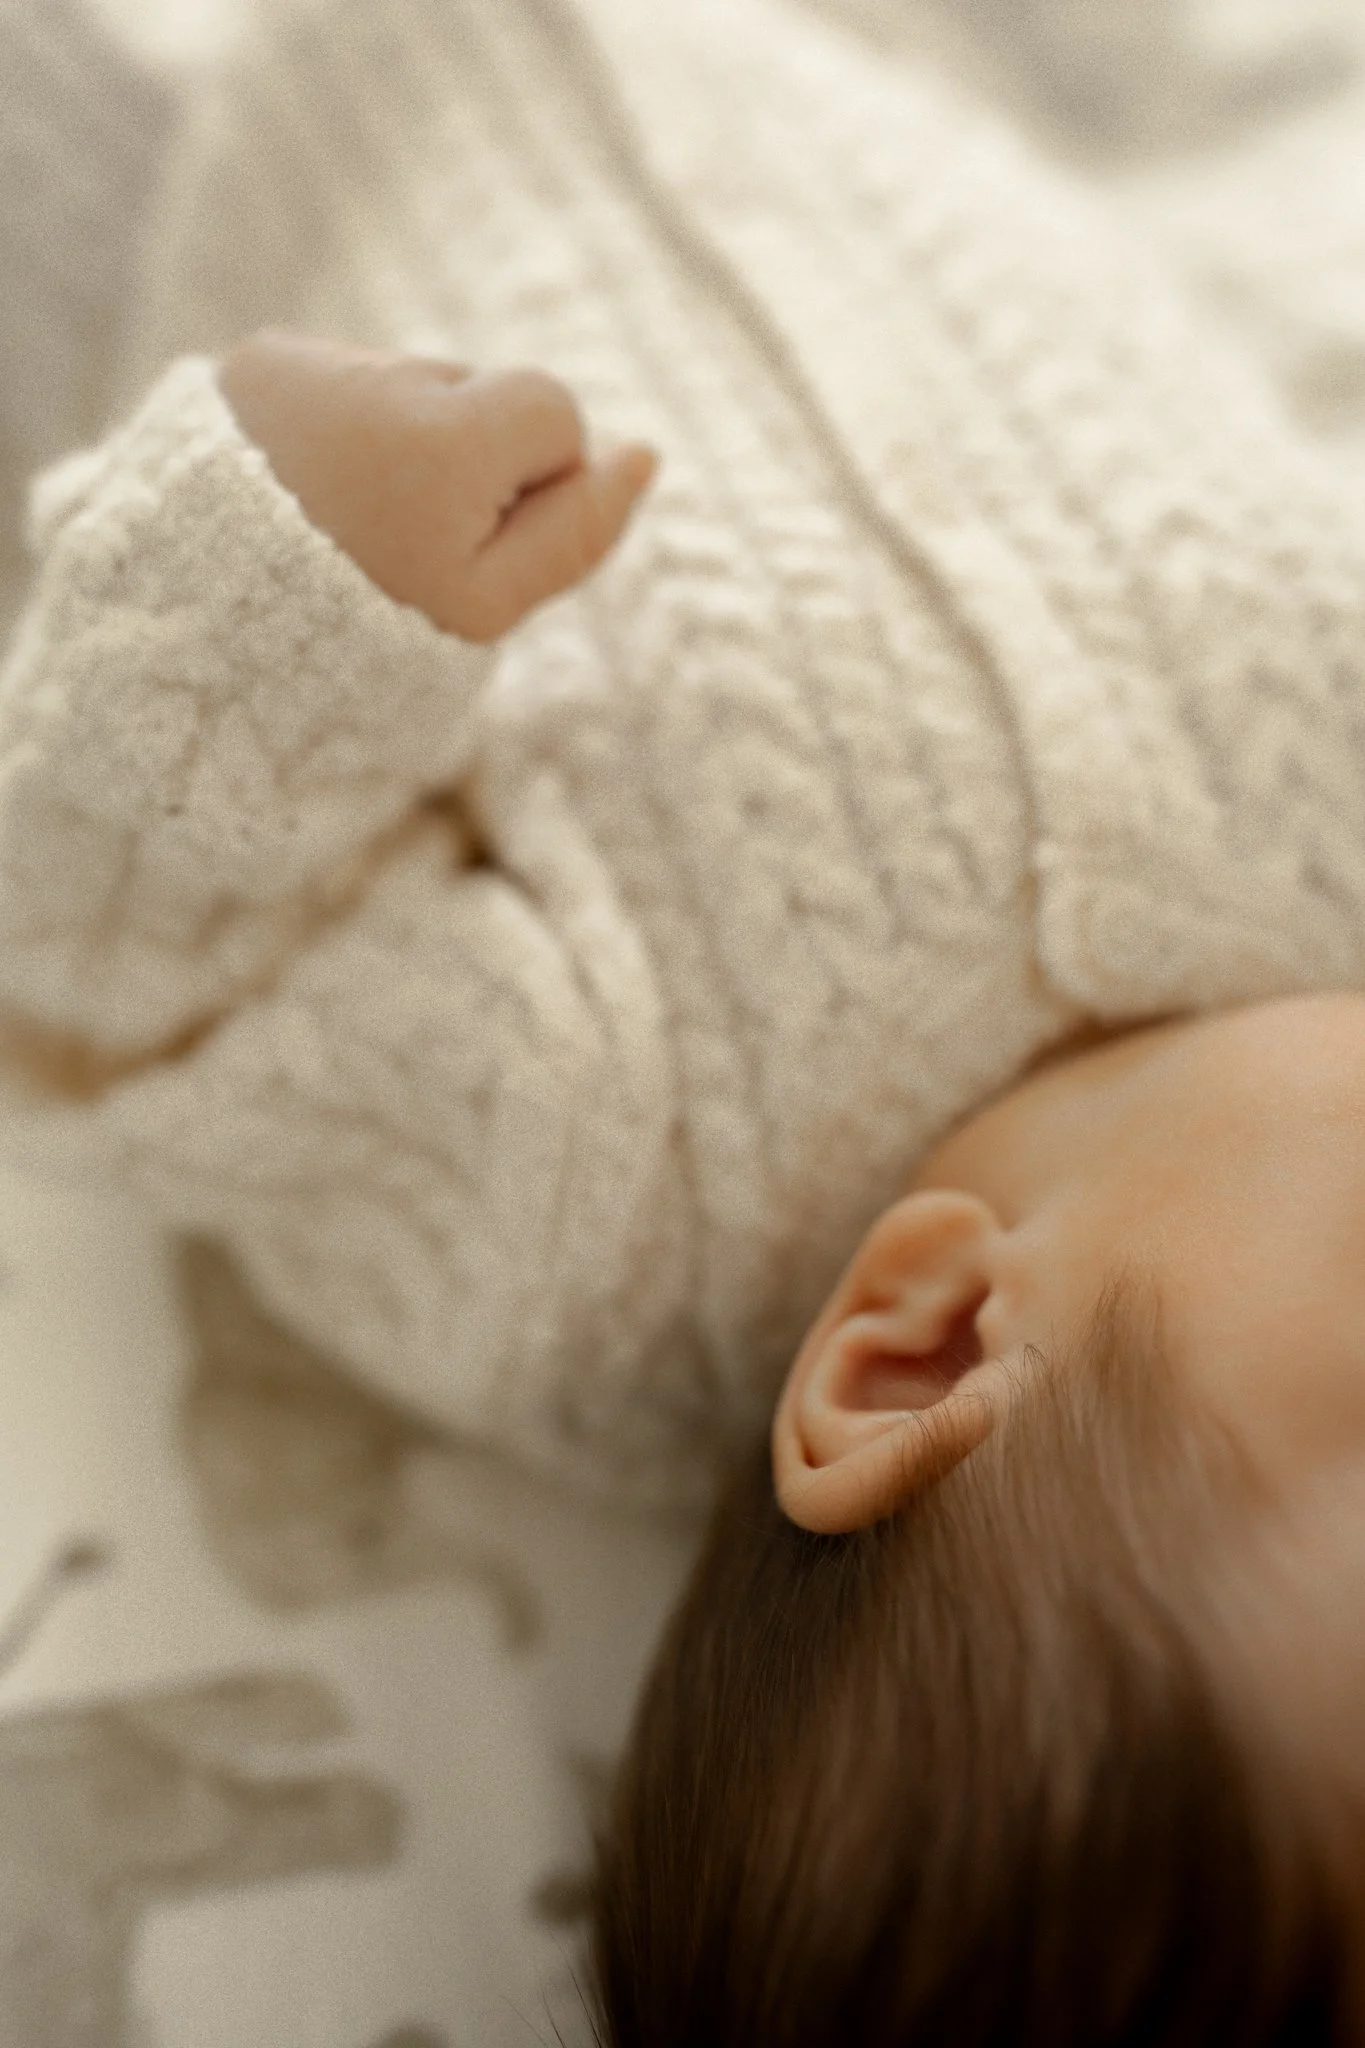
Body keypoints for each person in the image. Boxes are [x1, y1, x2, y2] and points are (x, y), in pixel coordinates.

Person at [7, 0, 1365, 2034]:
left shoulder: (586, 1204)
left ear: (923, 1353)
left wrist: (281, 580)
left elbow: (121, 970)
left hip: (217, 138)